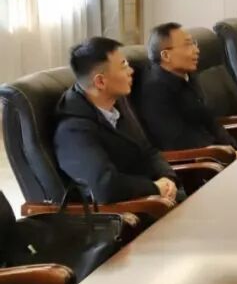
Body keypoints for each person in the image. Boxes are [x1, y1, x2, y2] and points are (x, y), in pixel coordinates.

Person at [54, 37, 182, 205]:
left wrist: (167, 178)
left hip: (155, 198)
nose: (131, 71)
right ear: (100, 81)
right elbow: (105, 187)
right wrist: (154, 188)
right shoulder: (73, 130)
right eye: (123, 66)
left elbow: (148, 151)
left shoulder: (117, 103)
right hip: (130, 212)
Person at [136, 22, 237, 152]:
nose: (196, 50)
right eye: (188, 45)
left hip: (217, 152)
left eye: (194, 44)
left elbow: (208, 120)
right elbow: (177, 140)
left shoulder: (185, 76)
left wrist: (233, 147)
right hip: (198, 159)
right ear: (166, 55)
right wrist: (224, 153)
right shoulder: (155, 89)